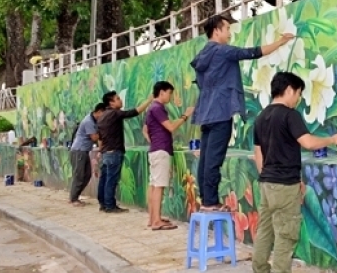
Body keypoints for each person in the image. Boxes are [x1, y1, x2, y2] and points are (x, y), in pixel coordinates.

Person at [249, 71, 337, 273]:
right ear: (290, 90)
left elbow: (258, 154)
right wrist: (332, 140)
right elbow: (308, 142)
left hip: (267, 184)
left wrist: (270, 177)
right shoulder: (289, 115)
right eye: (299, 94)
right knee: (286, 234)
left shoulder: (261, 117)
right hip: (284, 184)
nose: (299, 99)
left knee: (265, 230)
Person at [190, 14, 296, 212]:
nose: (229, 34)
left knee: (205, 158)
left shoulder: (204, 54)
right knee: (214, 159)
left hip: (205, 112)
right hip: (221, 111)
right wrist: (281, 42)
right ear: (217, 31)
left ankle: (206, 199)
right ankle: (211, 202)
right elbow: (253, 52)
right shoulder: (222, 51)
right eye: (227, 29)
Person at [143, 81, 194, 230]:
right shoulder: (158, 108)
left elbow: (145, 130)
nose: (170, 97)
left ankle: (153, 218)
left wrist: (154, 141)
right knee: (159, 186)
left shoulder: (151, 109)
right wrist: (185, 116)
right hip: (161, 150)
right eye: (170, 93)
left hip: (155, 150)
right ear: (162, 92)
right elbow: (170, 127)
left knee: (154, 185)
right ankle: (157, 221)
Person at [96, 91, 153, 213]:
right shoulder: (114, 113)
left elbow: (99, 137)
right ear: (111, 102)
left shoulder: (102, 117)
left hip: (106, 152)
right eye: (117, 99)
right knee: (111, 180)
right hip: (114, 152)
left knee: (104, 179)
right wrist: (149, 100)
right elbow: (134, 112)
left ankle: (103, 204)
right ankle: (110, 206)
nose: (120, 100)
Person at [68, 103, 106, 207]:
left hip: (84, 151)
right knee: (79, 175)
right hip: (79, 151)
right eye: (103, 114)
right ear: (98, 112)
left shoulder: (93, 120)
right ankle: (73, 198)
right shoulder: (89, 121)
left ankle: (75, 196)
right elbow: (94, 138)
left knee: (87, 174)